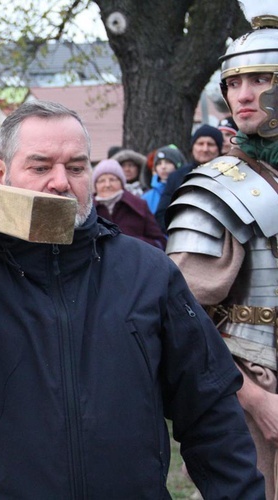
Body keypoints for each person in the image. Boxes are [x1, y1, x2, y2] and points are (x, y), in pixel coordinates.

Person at [0, 100, 264, 498]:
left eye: (76, 167)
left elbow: (210, 409)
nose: (60, 182)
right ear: (0, 173)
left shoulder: (146, 271)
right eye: (40, 167)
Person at [165, 9, 278, 499]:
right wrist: (257, 401)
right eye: (234, 83)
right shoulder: (217, 189)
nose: (243, 94)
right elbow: (180, 319)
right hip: (257, 390)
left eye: (260, 79)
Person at [153, 124, 223, 231]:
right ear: (193, 147)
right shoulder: (177, 176)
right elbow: (162, 213)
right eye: (200, 144)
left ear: (219, 148)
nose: (205, 149)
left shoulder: (228, 174)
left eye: (210, 144)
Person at [92, 159, 166, 249]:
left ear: (121, 183)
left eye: (112, 179)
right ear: (95, 185)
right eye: (101, 181)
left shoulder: (139, 205)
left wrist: (135, 244)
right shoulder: (88, 210)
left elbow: (160, 242)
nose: (107, 185)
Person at [141, 145, 186, 215]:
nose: (163, 167)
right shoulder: (146, 198)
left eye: (168, 162)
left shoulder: (187, 191)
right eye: (159, 163)